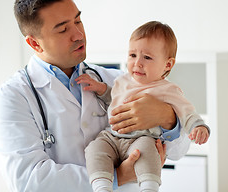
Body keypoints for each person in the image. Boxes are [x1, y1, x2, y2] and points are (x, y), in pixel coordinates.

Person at [0, 0, 190, 192]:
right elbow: (29, 180)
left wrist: (168, 119)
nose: (79, 34)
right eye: (63, 30)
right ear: (35, 43)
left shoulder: (119, 81)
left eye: (78, 21)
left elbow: (178, 151)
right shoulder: (14, 96)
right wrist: (118, 176)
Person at [76, 21, 210, 192]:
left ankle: (149, 187)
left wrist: (198, 126)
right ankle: (102, 186)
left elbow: (186, 112)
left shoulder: (167, 89)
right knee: (94, 149)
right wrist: (100, 88)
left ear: (167, 65)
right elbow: (114, 97)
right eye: (132, 55)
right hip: (112, 137)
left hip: (142, 139)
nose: (137, 63)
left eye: (147, 57)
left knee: (148, 153)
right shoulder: (123, 80)